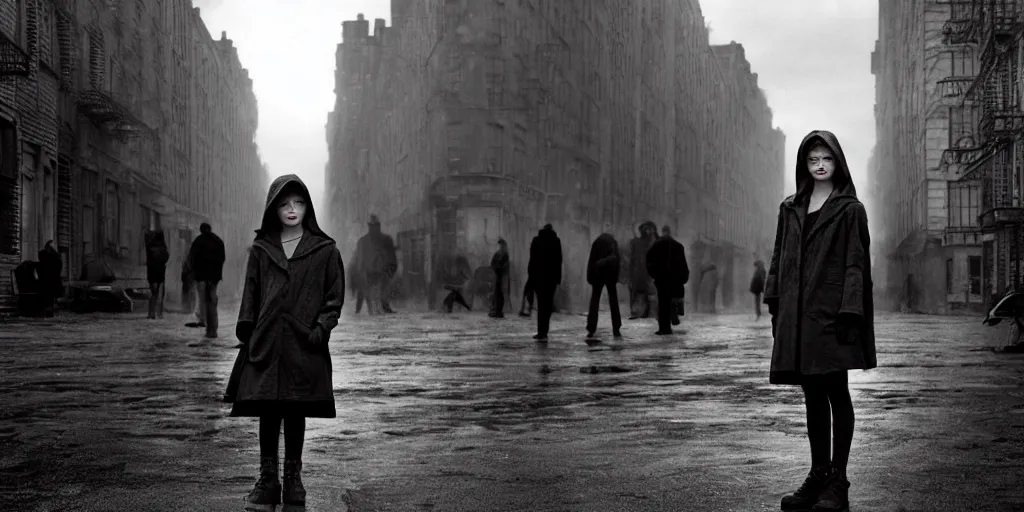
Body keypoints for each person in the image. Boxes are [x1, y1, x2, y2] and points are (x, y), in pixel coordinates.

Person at [765, 130, 876, 512]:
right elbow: (779, 258)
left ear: (837, 163)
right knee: (812, 394)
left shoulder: (850, 210)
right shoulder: (790, 207)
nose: (820, 165)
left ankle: (838, 483)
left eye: (826, 159)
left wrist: (851, 310)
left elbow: (855, 264)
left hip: (834, 314)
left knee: (836, 391)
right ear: (804, 165)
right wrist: (774, 301)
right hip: (798, 314)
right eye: (813, 159)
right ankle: (817, 476)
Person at [225, 174, 344, 512]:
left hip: (303, 342)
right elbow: (251, 292)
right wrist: (247, 331)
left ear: (308, 206)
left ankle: (293, 479)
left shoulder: (324, 249)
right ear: (273, 209)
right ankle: (267, 480)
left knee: (294, 408)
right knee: (267, 408)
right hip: (266, 341)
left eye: (299, 203)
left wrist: (320, 330)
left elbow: (334, 298)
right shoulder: (262, 249)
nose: (292, 210)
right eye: (284, 204)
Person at [646, 225, 689, 335]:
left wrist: (654, 275)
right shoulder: (678, 246)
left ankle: (664, 328)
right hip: (674, 280)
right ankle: (672, 319)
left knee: (663, 302)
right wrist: (683, 279)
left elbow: (649, 261)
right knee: (673, 300)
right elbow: (683, 265)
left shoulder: (656, 245)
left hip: (662, 279)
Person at [187, 222, 225, 338]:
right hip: (214, 277)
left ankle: (204, 322)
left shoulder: (198, 241)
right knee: (212, 301)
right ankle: (213, 328)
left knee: (203, 299)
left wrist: (193, 272)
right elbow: (222, 258)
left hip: (201, 276)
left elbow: (191, 258)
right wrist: (217, 275)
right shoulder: (218, 241)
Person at [585, 222, 622, 339]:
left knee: (595, 301)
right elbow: (617, 261)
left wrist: (589, 276)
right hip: (610, 275)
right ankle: (616, 327)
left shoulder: (597, 242)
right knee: (613, 301)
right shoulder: (613, 242)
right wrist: (616, 276)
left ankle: (591, 327)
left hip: (598, 274)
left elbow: (592, 260)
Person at [526, 224, 562, 341]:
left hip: (538, 278)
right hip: (551, 279)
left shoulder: (536, 241)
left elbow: (532, 260)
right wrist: (558, 279)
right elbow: (558, 261)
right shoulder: (556, 241)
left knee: (541, 305)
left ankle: (541, 331)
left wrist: (530, 278)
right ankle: (544, 330)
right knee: (548, 304)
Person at [627, 221, 658, 319]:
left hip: (646, 271)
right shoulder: (636, 242)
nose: (647, 232)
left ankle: (646, 312)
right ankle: (634, 311)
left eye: (649, 230)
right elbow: (632, 258)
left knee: (647, 292)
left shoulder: (652, 242)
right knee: (635, 291)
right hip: (637, 271)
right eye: (645, 230)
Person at [145, 230, 170, 319]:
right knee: (160, 294)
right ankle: (159, 313)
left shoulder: (150, 247)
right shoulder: (163, 248)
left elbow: (148, 260)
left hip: (152, 272)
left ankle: (151, 313)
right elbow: (166, 258)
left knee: (153, 293)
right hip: (160, 273)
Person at [37, 240, 62, 316]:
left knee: (48, 298)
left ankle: (48, 312)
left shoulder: (50, 256)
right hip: (50, 280)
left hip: (48, 280)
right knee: (49, 298)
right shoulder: (54, 256)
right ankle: (49, 312)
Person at [489, 238, 510, 318]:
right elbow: (492, 264)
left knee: (500, 293)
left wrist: (498, 268)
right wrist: (495, 268)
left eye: (502, 246)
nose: (500, 247)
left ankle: (498, 310)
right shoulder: (497, 254)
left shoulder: (505, 255)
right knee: (496, 293)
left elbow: (504, 266)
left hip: (503, 276)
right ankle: (495, 310)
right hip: (496, 276)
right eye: (500, 246)